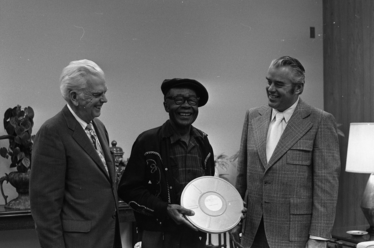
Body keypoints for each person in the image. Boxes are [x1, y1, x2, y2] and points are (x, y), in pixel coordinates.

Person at [233, 56, 340, 248]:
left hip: (295, 235)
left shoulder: (319, 121)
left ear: (298, 88)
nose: (270, 89)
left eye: (279, 84)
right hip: (253, 231)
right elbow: (242, 174)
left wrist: (318, 237)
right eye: (269, 82)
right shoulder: (253, 117)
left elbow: (326, 185)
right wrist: (232, 213)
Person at [30, 59, 121, 248]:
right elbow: (45, 209)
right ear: (74, 96)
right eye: (97, 94)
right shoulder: (52, 132)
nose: (105, 100)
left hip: (107, 239)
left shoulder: (99, 127)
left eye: (104, 93)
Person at [118, 78, 215, 248]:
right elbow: (128, 190)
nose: (186, 106)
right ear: (166, 106)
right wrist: (165, 209)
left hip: (195, 236)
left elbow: (208, 188)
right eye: (178, 100)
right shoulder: (147, 141)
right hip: (158, 236)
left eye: (191, 100)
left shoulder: (203, 143)